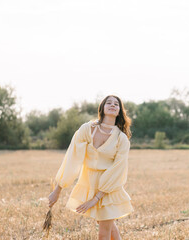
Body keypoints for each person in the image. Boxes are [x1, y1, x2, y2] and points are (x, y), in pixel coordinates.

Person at [48, 95, 134, 240]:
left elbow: (117, 171)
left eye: (116, 104)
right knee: (109, 226)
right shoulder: (87, 129)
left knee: (103, 232)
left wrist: (96, 198)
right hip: (89, 184)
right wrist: (58, 189)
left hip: (108, 188)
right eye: (109, 103)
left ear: (119, 111)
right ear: (102, 108)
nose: (113, 105)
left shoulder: (122, 139)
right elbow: (71, 159)